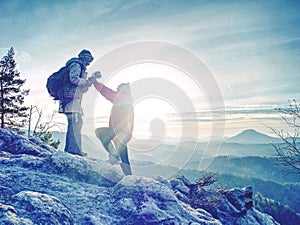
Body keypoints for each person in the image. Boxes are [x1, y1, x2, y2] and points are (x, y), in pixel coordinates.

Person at [89, 78, 134, 175]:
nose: (117, 90)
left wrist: (95, 82)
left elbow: (107, 92)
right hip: (123, 132)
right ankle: (129, 176)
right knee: (124, 155)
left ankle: (114, 156)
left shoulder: (122, 98)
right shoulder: (127, 100)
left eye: (118, 88)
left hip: (119, 131)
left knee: (100, 132)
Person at [58, 49, 94, 156]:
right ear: (84, 58)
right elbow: (73, 79)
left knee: (75, 124)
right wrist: (86, 82)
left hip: (73, 100)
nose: (88, 64)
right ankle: (74, 151)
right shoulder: (76, 65)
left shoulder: (80, 67)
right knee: (75, 124)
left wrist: (88, 83)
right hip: (70, 100)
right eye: (88, 61)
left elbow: (81, 88)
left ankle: (72, 149)